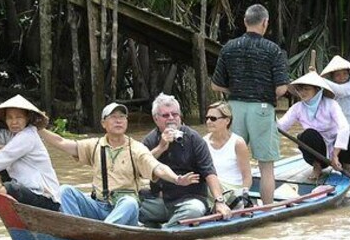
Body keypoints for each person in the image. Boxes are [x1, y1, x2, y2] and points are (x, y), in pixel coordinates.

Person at [39, 102, 199, 226]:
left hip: (123, 208)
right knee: (66, 190)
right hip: (99, 205)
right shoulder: (94, 145)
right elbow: (62, 142)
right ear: (103, 123)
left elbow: (158, 167)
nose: (118, 121)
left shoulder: (136, 148)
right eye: (113, 117)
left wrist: (177, 179)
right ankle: (74, 229)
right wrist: (38, 129)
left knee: (130, 202)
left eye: (122, 117)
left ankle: (104, 233)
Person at [212, 4, 289, 205]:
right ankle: (267, 210)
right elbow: (281, 89)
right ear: (265, 23)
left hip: (233, 109)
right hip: (262, 110)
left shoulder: (229, 47)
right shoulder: (273, 50)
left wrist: (236, 91)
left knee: (232, 160)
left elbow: (215, 84)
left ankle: (226, 202)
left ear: (245, 22)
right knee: (266, 167)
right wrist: (262, 93)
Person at [141, 94, 232, 227]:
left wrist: (219, 201)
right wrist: (160, 147)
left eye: (175, 114)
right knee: (131, 205)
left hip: (189, 201)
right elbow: (139, 169)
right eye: (165, 115)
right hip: (160, 202)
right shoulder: (150, 140)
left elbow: (209, 172)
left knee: (194, 211)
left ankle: (164, 231)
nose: (171, 118)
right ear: (156, 119)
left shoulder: (193, 138)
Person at [277, 71, 350, 180]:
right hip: (318, 152)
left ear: (317, 90)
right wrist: (270, 114)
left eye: (307, 89)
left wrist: (335, 155)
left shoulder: (331, 104)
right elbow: (281, 127)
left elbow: (344, 127)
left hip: (339, 151)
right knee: (307, 135)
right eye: (300, 89)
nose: (303, 93)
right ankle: (317, 166)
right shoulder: (297, 108)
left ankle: (346, 164)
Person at [203, 101, 252, 208]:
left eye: (213, 118)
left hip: (231, 190)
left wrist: (241, 197)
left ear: (227, 120)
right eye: (207, 118)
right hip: (212, 187)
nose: (208, 121)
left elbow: (247, 177)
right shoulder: (204, 142)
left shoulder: (238, 143)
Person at [320, 55, 350, 135]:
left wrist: (318, 78)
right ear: (333, 77)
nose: (342, 77)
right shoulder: (330, 91)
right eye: (338, 75)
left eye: (345, 73)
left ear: (349, 74)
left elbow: (341, 91)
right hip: (340, 131)